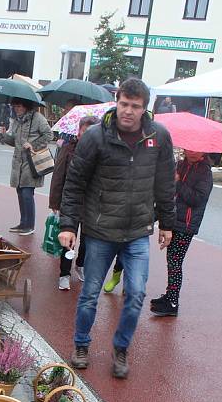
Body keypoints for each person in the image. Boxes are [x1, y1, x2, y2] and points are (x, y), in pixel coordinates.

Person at [59, 77, 175, 379]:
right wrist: (68, 224)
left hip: (137, 231)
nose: (128, 111)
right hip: (100, 231)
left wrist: (167, 223)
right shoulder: (96, 137)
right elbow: (75, 184)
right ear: (117, 102)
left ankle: (121, 347)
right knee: (90, 294)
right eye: (124, 104)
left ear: (144, 109)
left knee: (136, 294)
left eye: (135, 106)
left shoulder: (159, 137)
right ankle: (81, 344)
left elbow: (164, 182)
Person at [150, 150, 213, 316]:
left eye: (196, 151)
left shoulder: (205, 172)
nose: (191, 153)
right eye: (189, 149)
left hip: (186, 225)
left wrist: (178, 183)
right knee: (172, 260)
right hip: (174, 219)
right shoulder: (181, 164)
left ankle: (172, 302)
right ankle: (169, 295)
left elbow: (197, 199)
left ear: (203, 152)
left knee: (175, 262)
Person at [49, 115, 100, 289]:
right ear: (78, 132)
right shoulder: (68, 149)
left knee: (87, 240)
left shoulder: (100, 153)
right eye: (84, 131)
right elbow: (58, 176)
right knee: (68, 238)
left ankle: (81, 264)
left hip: (91, 204)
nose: (87, 135)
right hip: (70, 201)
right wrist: (55, 202)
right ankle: (64, 273)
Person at [0, 97, 52, 236]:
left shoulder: (37, 118)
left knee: (27, 193)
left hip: (32, 161)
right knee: (20, 192)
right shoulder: (17, 121)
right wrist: (5, 135)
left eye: (18, 106)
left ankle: (30, 225)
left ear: (26, 106)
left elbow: (49, 135)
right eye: (14, 106)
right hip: (18, 162)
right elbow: (15, 142)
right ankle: (23, 223)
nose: (16, 109)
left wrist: (33, 145)